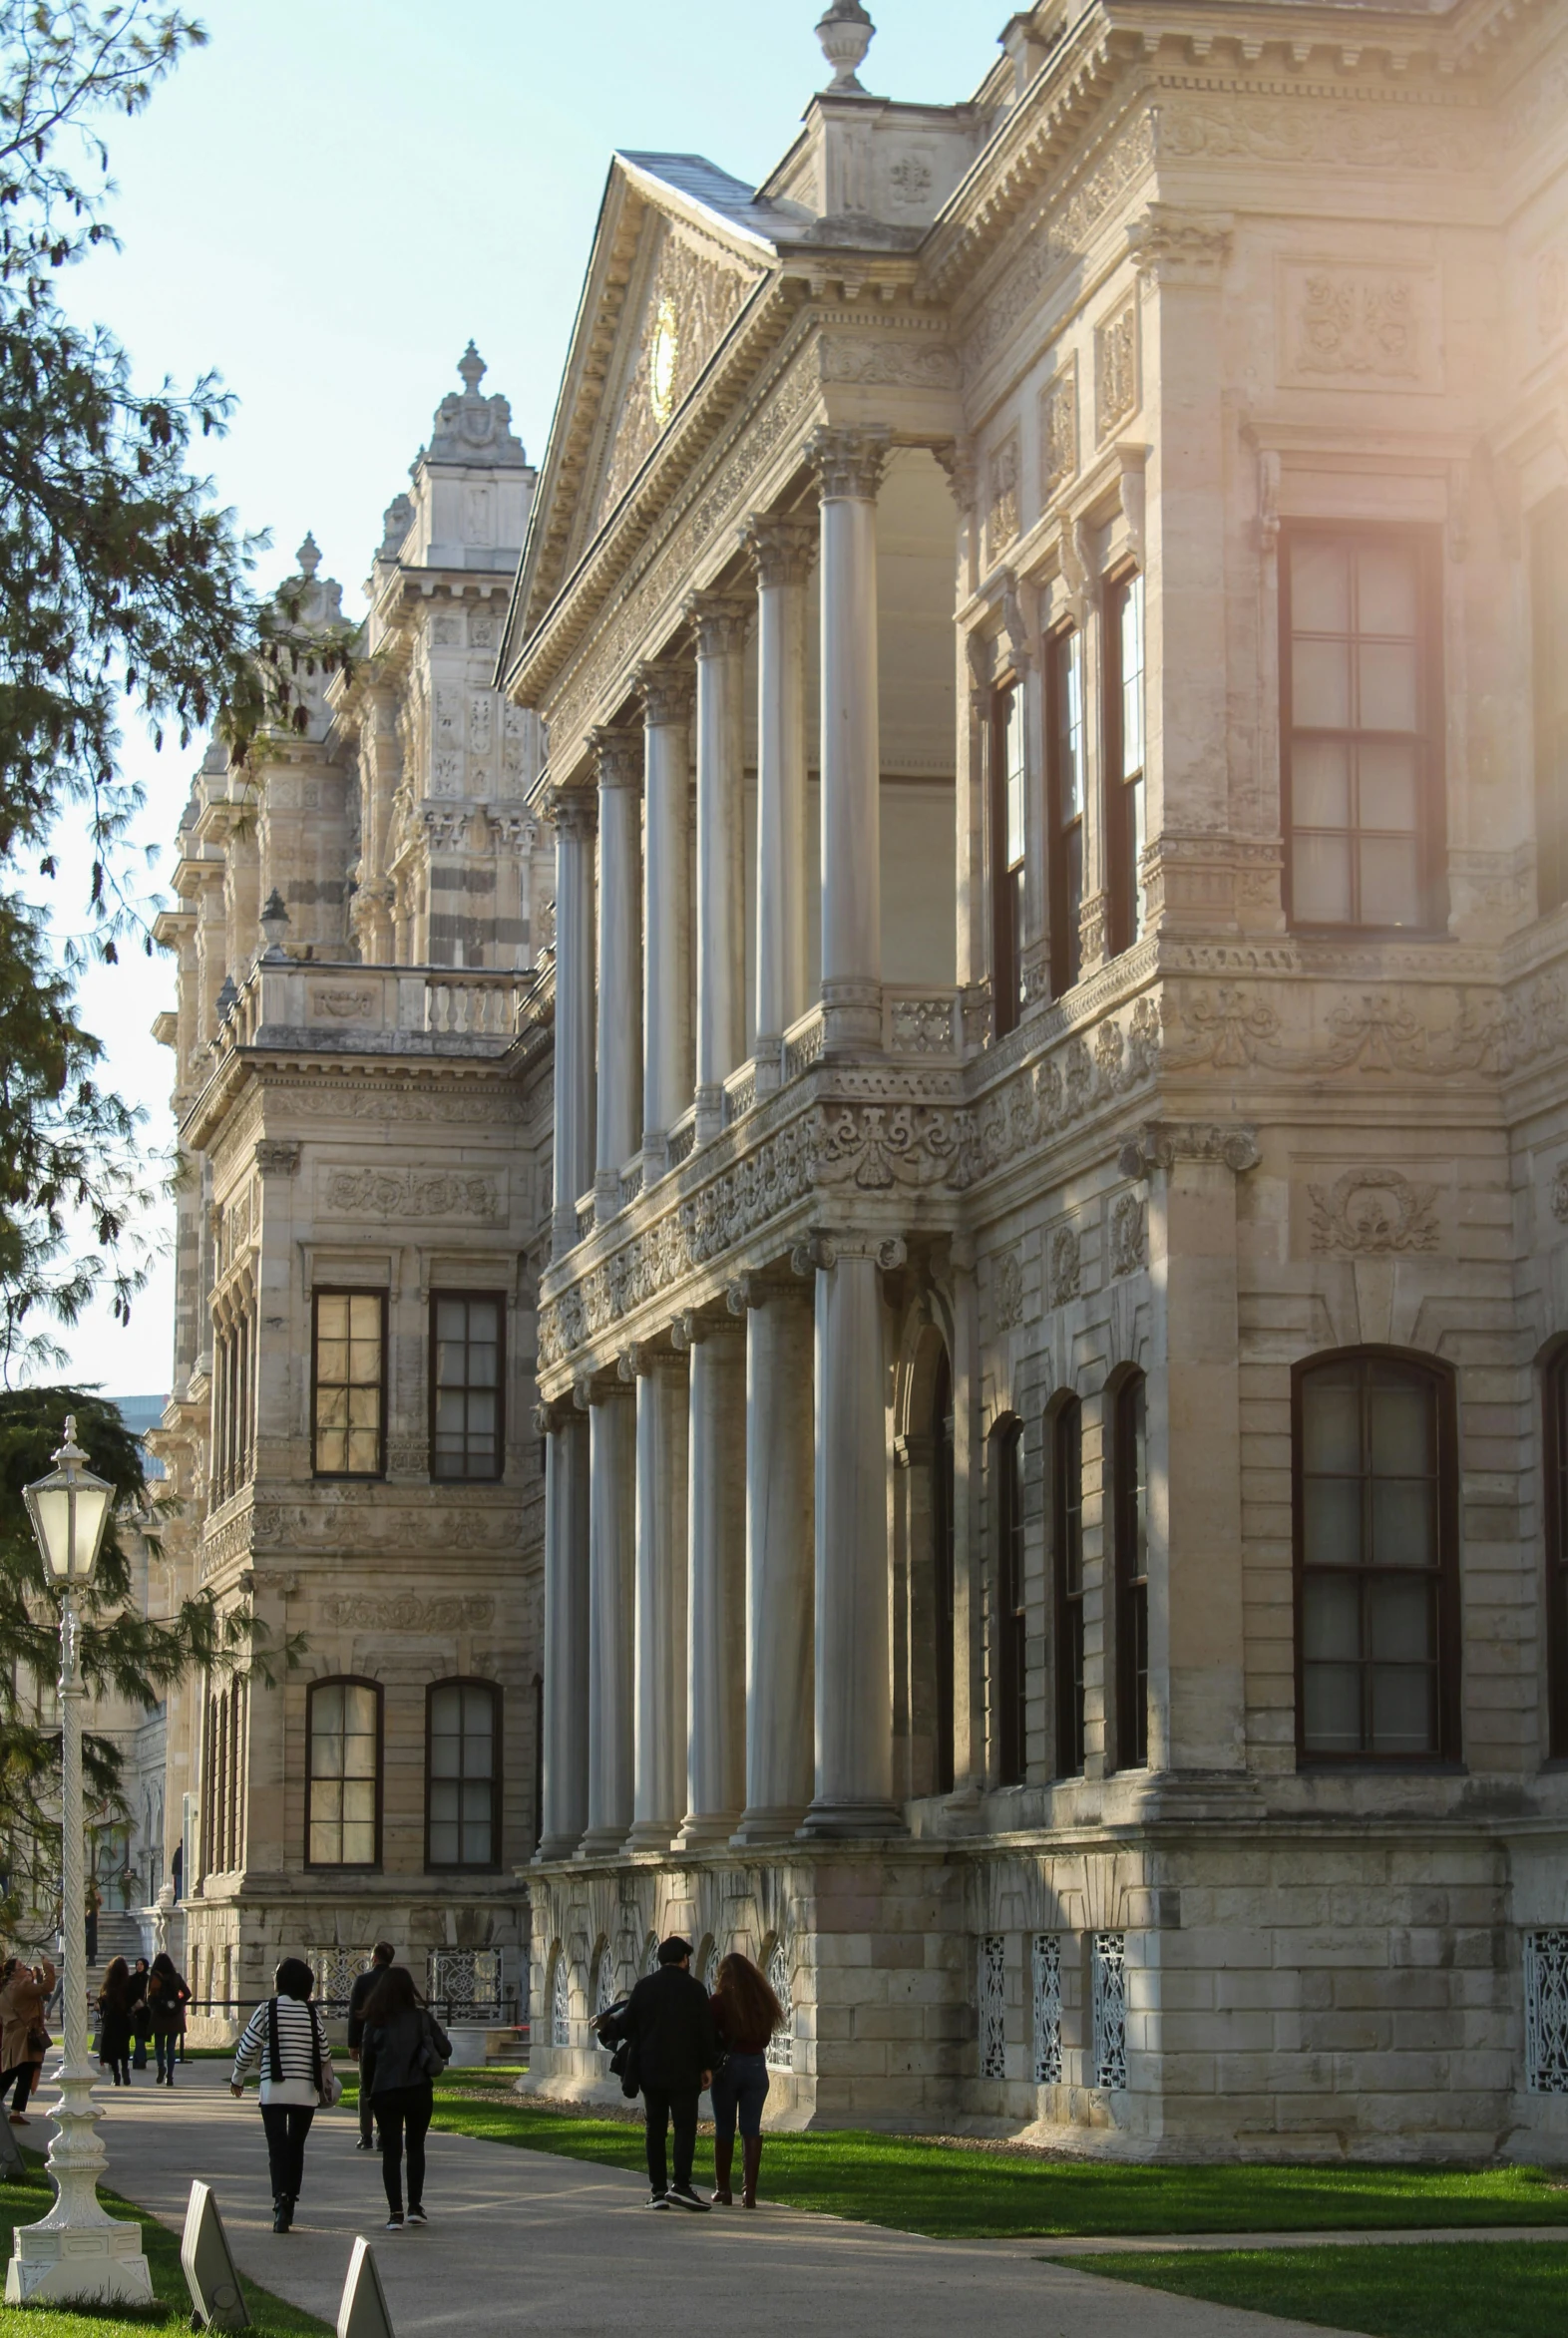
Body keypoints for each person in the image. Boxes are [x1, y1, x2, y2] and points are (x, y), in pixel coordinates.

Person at [601, 1936, 716, 2212]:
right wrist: (707, 2067)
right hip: (685, 2071)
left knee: (655, 2130)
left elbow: (629, 2025)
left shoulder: (644, 1988)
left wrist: (607, 2027)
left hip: (651, 2071)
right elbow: (705, 2034)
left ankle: (658, 2190)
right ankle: (682, 2184)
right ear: (684, 1959)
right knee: (685, 2128)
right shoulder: (695, 1990)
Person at [229, 1957, 335, 2232]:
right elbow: (324, 2053)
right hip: (305, 2093)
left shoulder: (268, 2009)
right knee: (296, 2146)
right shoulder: (312, 2014)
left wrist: (238, 2077)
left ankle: (278, 2203)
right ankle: (290, 2202)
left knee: (277, 2148)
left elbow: (249, 2044)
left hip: (273, 2091)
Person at [358, 1965, 452, 2231]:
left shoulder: (374, 2021)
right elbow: (446, 2048)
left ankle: (394, 2212)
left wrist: (368, 2092)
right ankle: (415, 2206)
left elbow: (368, 2062)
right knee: (415, 2147)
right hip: (418, 2089)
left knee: (391, 2151)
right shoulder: (421, 2018)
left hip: (385, 2091)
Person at [707, 1952, 786, 2209]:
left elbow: (708, 2033)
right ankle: (749, 2193)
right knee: (751, 2129)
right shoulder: (761, 2001)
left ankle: (723, 2189)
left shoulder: (720, 2002)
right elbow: (764, 2039)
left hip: (729, 2067)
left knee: (724, 2127)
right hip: (756, 2067)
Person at [346, 1941, 395, 2151]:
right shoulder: (396, 1981)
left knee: (365, 2087)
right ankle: (384, 2135)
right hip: (393, 2041)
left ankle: (365, 2135)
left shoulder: (364, 1981)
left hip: (368, 2040)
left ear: (374, 1958)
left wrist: (353, 2043)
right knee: (389, 2087)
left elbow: (354, 2015)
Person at [0, 1955, 55, 2125]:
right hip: (25, 2037)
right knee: (21, 2073)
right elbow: (47, 1987)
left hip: (11, 2038)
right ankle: (15, 2112)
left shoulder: (4, 1991)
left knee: (14, 2072)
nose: (25, 1969)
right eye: (21, 1967)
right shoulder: (22, 1987)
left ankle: (16, 2112)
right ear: (13, 1973)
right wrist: (47, 1967)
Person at [146, 1952, 190, 2087]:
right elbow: (187, 1993)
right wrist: (177, 2003)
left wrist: (156, 2006)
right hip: (174, 2017)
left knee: (159, 2046)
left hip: (159, 2015)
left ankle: (161, 2066)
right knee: (171, 2048)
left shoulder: (155, 1978)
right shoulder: (176, 1977)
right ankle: (170, 2076)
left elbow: (149, 1998)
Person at [96, 1954, 134, 2086]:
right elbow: (131, 2002)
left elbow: (102, 2003)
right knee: (123, 2047)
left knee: (111, 2049)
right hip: (123, 2020)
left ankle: (116, 2075)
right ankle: (125, 2069)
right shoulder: (128, 1985)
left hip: (111, 2021)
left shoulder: (107, 1985)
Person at [128, 1956, 150, 2072]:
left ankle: (139, 2060)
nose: (139, 1966)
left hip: (145, 2012)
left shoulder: (148, 1979)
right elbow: (129, 1994)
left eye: (141, 1964)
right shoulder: (131, 1979)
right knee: (138, 2037)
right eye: (137, 1964)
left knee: (141, 2037)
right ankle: (140, 2060)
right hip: (134, 2012)